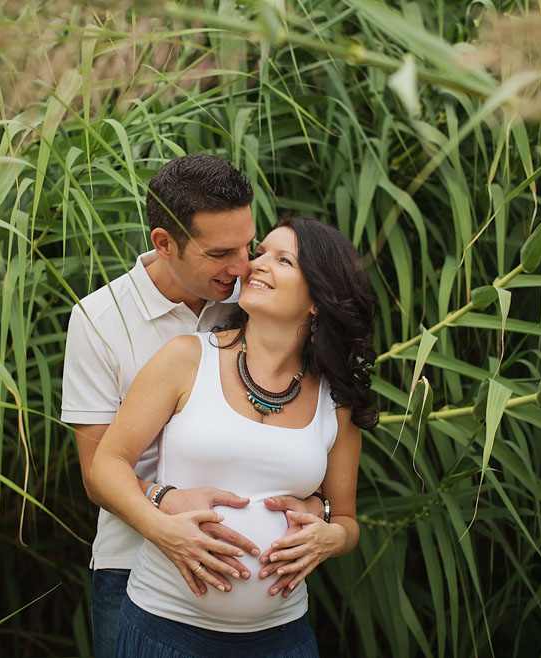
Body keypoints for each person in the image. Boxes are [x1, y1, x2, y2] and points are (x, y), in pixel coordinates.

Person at [60, 154, 324, 657]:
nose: (244, 265)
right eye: (221, 252)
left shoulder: (256, 294)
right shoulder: (99, 320)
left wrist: (321, 508)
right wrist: (163, 504)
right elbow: (97, 471)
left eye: (249, 243)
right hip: (132, 566)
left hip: (265, 610)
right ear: (164, 243)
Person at [91, 216, 378, 657]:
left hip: (281, 638)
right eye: (259, 253)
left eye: (283, 260)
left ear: (318, 298)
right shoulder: (186, 358)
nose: (257, 264)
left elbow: (346, 519)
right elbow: (106, 465)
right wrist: (162, 529)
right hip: (166, 627)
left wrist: (331, 538)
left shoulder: (335, 398)